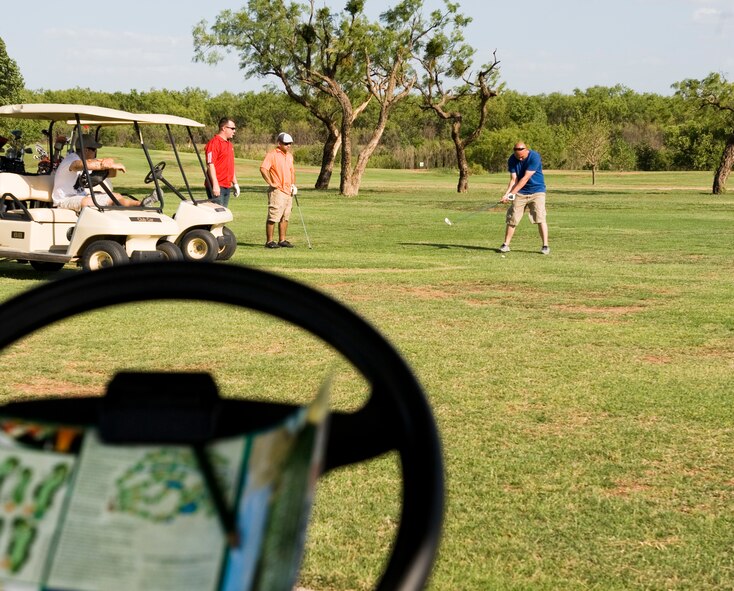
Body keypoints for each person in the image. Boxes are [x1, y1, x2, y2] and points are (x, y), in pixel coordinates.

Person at [52, 135, 153, 211]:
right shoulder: (72, 160)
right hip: (64, 200)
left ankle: (141, 204)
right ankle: (139, 206)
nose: (95, 152)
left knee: (116, 196)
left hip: (81, 196)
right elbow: (79, 165)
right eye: (94, 150)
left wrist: (110, 164)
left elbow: (111, 174)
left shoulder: (88, 162)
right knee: (92, 201)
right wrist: (107, 164)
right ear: (86, 150)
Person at [499, 142, 550, 255]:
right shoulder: (512, 159)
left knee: (540, 217)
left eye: (522, 156)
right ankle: (506, 244)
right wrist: (506, 194)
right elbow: (514, 180)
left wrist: (512, 193)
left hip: (537, 191)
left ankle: (545, 245)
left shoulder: (534, 157)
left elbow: (525, 178)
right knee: (512, 218)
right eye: (518, 157)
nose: (520, 159)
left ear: (526, 150)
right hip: (520, 193)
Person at [259, 132, 296, 249]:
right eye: (286, 143)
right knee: (273, 216)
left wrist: (293, 185)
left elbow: (291, 172)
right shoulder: (272, 155)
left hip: (288, 190)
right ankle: (269, 241)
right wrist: (271, 182)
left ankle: (282, 240)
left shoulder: (289, 156)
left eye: (290, 143)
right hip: (277, 191)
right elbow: (263, 168)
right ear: (279, 143)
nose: (288, 145)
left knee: (285, 216)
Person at [205, 117, 239, 207]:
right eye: (232, 128)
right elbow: (210, 164)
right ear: (224, 128)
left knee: (223, 215)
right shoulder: (214, 143)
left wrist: (235, 183)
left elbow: (230, 166)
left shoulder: (229, 144)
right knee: (218, 215)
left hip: (227, 185)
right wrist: (215, 184)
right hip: (217, 185)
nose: (234, 131)